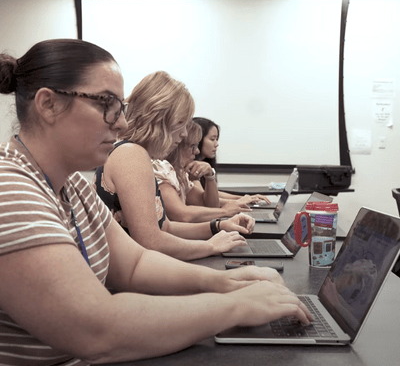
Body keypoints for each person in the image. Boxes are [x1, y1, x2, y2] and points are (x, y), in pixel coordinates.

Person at [0, 39, 313, 365]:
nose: (121, 122)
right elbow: (97, 332)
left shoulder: (71, 184)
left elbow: (134, 264)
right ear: (48, 104)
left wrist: (225, 282)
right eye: (106, 103)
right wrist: (237, 305)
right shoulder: (9, 188)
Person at [95, 71, 255, 260]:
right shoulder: (131, 154)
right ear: (160, 119)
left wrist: (218, 226)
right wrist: (210, 246)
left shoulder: (135, 153)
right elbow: (151, 242)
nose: (185, 134)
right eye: (181, 123)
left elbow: (165, 227)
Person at [153, 119, 253, 223]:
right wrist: (225, 211)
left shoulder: (180, 174)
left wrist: (210, 176)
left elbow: (209, 205)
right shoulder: (161, 171)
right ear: (177, 147)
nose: (197, 151)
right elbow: (183, 215)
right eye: (193, 146)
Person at [193, 116, 272, 205]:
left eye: (217, 139)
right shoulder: (191, 168)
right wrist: (240, 201)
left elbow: (213, 195)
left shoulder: (204, 165)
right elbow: (204, 200)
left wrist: (246, 198)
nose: (216, 144)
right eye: (212, 139)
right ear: (197, 139)